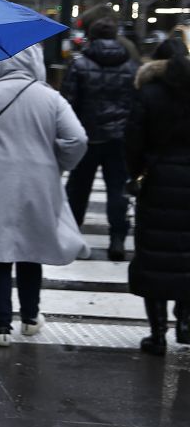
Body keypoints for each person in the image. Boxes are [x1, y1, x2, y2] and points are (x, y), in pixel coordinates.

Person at [0, 45, 88, 346]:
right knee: (31, 249)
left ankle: (0, 327)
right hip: (38, 183)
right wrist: (59, 163)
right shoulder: (50, 97)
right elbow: (77, 138)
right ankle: (29, 318)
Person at [124, 33, 190, 355]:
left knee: (154, 256)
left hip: (158, 180)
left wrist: (136, 171)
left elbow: (133, 138)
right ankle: (187, 322)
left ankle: (157, 333)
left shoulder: (148, 93)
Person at [62, 17, 140, 260]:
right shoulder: (131, 67)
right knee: (118, 189)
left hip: (88, 136)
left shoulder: (80, 64)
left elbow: (69, 101)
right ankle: (117, 239)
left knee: (78, 188)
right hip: (119, 138)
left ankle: (73, 237)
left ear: (91, 37)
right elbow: (137, 104)